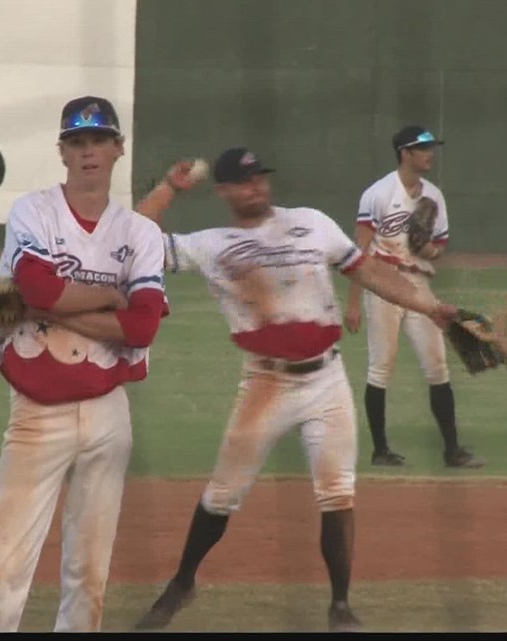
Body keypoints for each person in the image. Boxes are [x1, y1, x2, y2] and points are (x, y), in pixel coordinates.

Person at [128, 147, 459, 632]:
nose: (256, 187)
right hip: (265, 384)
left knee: (337, 494)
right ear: (222, 191)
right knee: (222, 495)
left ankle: (340, 605)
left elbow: (368, 272)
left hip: (327, 381)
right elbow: (135, 239)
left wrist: (429, 307)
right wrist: (169, 188)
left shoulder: (312, 223)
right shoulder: (211, 243)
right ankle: (182, 583)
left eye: (260, 178)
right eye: (243, 182)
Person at [0, 96, 182, 633]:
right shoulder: (33, 212)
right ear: (62, 151)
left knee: (89, 575)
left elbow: (144, 326)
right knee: (4, 569)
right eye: (78, 142)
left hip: (109, 416)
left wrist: (54, 304)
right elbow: (38, 286)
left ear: (118, 150)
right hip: (37, 415)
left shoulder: (138, 233)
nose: (89, 152)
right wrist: (111, 295)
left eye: (99, 141)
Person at [343, 125, 483, 468]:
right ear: (405, 153)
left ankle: (452, 451)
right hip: (381, 284)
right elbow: (358, 251)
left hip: (419, 285)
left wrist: (427, 248)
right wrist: (352, 301)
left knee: (437, 365)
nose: (430, 154)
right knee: (381, 367)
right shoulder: (377, 194)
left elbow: (438, 249)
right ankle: (380, 450)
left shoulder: (434, 196)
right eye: (423, 149)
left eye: (431, 147)